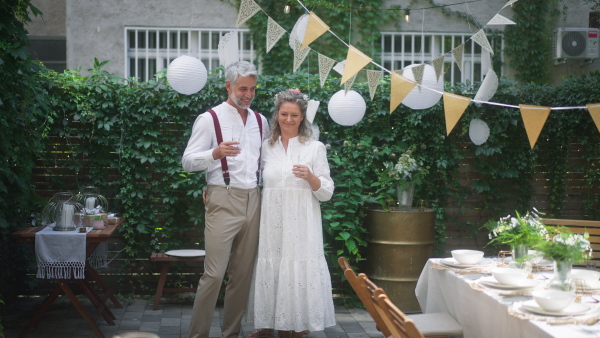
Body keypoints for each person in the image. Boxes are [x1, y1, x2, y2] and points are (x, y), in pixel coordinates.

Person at [182, 61, 269, 338]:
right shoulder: (210, 119)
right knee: (214, 274)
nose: (248, 94)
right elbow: (187, 162)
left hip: (254, 199)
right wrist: (215, 154)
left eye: (252, 89)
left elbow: (268, 161)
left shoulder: (260, 121)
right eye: (243, 88)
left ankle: (231, 334)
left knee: (242, 277)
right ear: (228, 85)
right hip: (223, 197)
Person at [248, 89, 336, 338]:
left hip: (302, 224)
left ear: (302, 117)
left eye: (294, 115)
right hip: (272, 222)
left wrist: (310, 177)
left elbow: (327, 192)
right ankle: (268, 324)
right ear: (277, 114)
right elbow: (246, 174)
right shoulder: (266, 146)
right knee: (273, 266)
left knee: (298, 268)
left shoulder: (315, 148)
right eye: (284, 114)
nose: (288, 119)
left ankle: (299, 324)